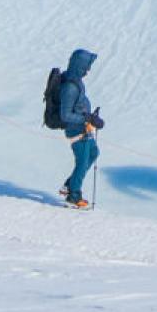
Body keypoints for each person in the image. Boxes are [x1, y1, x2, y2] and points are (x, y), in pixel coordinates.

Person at [47, 48, 104, 208]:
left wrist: (90, 116)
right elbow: (66, 115)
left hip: (84, 127)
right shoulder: (70, 87)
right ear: (79, 66)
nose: (88, 70)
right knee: (82, 161)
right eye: (86, 66)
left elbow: (78, 107)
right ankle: (74, 195)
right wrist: (87, 118)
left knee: (94, 153)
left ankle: (69, 185)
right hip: (77, 131)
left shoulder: (76, 81)